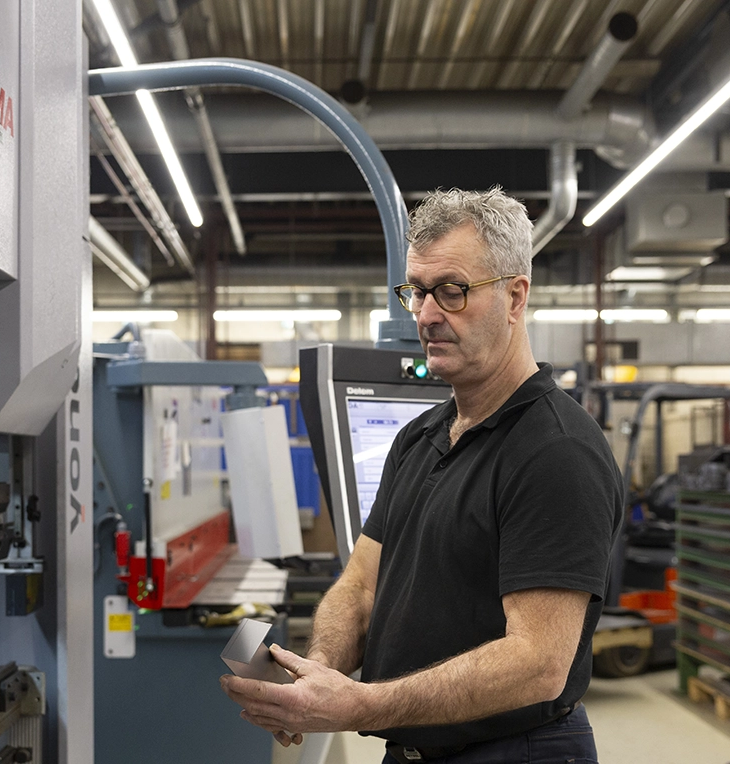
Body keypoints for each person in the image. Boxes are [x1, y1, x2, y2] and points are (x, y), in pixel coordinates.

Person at [221, 187, 624, 763]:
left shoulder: (555, 452)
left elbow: (538, 663)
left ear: (515, 296)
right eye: (417, 291)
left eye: (453, 291)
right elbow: (362, 586)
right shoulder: (419, 438)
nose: (428, 315)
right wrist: (319, 673)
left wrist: (360, 706)